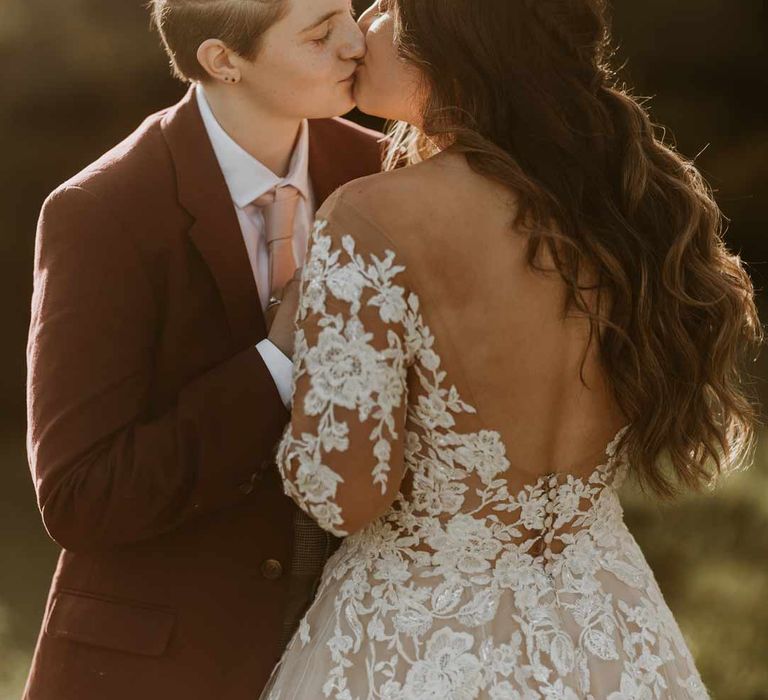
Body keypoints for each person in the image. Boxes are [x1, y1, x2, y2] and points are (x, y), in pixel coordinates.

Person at [259, 0, 762, 698]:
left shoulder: (372, 215)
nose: (363, 21)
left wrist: (290, 336)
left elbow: (342, 496)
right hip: (608, 630)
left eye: (389, 6)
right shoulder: (620, 201)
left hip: (420, 641)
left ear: (451, 39)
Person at [24, 1, 383, 698]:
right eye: (319, 33)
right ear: (224, 61)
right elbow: (81, 497)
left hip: (354, 648)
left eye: (351, 10)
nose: (355, 43)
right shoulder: (103, 210)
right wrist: (277, 361)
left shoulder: (384, 175)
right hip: (165, 662)